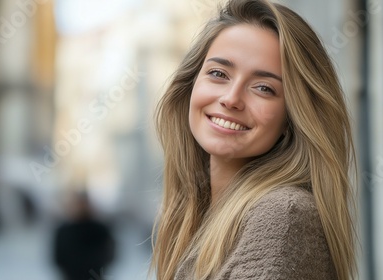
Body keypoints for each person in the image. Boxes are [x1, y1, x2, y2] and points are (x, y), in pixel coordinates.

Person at [152, 0, 356, 279]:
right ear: (190, 86)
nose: (231, 99)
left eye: (264, 88)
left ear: (292, 117)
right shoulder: (200, 218)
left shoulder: (283, 215)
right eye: (218, 73)